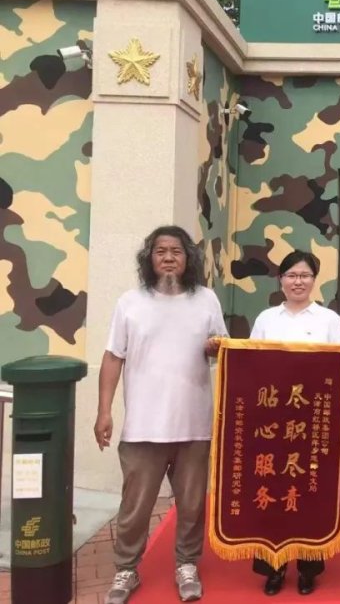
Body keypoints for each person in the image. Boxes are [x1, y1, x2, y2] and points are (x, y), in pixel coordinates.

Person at [96, 226, 227, 604]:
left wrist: (215, 348)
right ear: (149, 259)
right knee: (135, 506)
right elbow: (113, 357)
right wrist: (104, 411)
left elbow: (222, 348)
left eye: (176, 251)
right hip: (143, 426)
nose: (169, 258)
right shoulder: (130, 302)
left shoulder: (206, 299)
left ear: (189, 258)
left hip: (194, 425)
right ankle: (126, 569)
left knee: (192, 504)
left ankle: (187, 564)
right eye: (160, 251)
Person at [249, 250, 340, 596]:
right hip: (273, 423)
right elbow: (249, 363)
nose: (298, 281)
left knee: (310, 491)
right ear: (281, 280)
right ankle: (274, 567)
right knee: (272, 490)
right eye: (292, 275)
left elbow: (339, 364)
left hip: (312, 423)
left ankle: (309, 568)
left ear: (314, 280)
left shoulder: (328, 319)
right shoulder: (266, 318)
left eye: (305, 275)